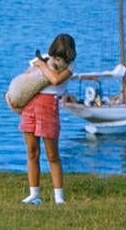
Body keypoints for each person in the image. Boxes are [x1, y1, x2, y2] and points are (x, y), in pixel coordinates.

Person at [10, 33, 76, 205]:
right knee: (32, 152)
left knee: (52, 154)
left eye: (62, 57)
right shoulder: (43, 59)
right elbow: (27, 79)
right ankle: (34, 194)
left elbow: (54, 80)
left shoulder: (70, 67)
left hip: (48, 108)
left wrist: (40, 64)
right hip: (31, 105)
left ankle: (59, 197)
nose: (58, 60)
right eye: (56, 56)